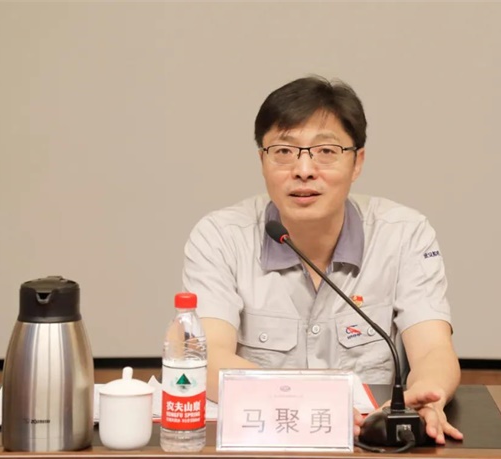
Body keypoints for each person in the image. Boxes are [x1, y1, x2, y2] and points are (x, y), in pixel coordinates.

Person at [182, 75, 463, 445]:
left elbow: (432, 348)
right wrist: (313, 403)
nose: (303, 170)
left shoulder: (404, 234)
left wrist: (426, 396)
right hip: (263, 443)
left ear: (357, 162)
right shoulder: (220, 236)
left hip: (369, 445)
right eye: (284, 151)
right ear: (262, 161)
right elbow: (208, 356)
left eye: (326, 151)